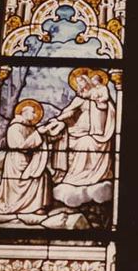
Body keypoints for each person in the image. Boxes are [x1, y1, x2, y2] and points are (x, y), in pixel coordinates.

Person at [46, 70, 115, 198]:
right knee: (81, 140)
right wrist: (58, 119)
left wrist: (99, 102)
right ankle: (75, 174)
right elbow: (70, 111)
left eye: (81, 81)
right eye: (77, 83)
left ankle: (92, 174)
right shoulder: (80, 98)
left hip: (97, 131)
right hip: (79, 130)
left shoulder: (98, 94)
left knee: (87, 141)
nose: (79, 85)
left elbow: (108, 109)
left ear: (87, 81)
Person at [0, 99, 51, 215]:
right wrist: (38, 133)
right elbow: (21, 146)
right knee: (36, 177)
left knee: (44, 174)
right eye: (33, 112)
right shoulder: (15, 127)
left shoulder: (31, 127)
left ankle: (38, 205)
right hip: (17, 161)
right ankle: (19, 204)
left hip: (30, 160)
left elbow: (37, 141)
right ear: (24, 113)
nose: (35, 115)